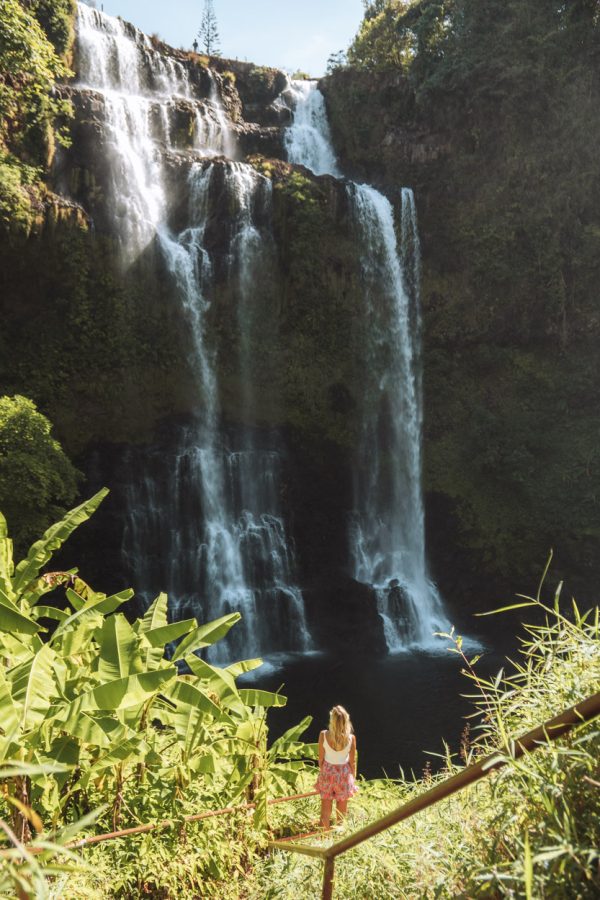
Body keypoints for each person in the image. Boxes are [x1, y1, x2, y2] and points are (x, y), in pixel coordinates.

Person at [316, 705, 358, 829]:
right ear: (346, 720)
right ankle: (340, 842)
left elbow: (321, 759)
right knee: (341, 814)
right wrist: (353, 778)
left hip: (328, 772)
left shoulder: (323, 735)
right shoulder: (351, 738)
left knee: (325, 813)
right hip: (344, 774)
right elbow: (352, 762)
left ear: (332, 720)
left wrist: (324, 772)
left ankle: (324, 839)